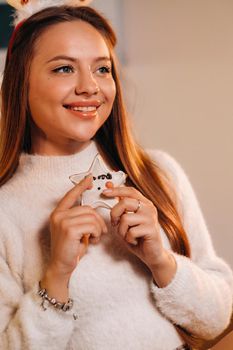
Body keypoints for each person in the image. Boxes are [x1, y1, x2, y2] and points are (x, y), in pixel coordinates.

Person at [0, 2, 232, 350]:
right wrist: (56, 275)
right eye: (64, 68)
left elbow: (217, 317)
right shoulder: (6, 210)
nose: (90, 87)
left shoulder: (158, 173)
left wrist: (161, 260)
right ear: (21, 82)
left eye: (102, 69)